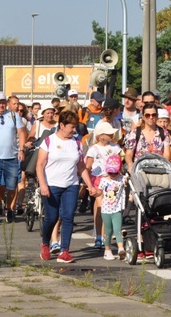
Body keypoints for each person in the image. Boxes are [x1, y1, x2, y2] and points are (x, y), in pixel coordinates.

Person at [37, 110, 97, 263]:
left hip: (71, 185)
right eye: (72, 127)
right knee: (51, 217)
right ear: (62, 125)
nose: (75, 130)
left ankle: (64, 251)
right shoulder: (49, 141)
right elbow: (40, 165)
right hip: (51, 185)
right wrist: (43, 184)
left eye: (76, 127)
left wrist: (89, 185)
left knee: (68, 217)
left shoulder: (76, 142)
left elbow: (81, 166)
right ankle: (45, 243)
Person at [0, 92, 27, 226]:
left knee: (12, 187)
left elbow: (21, 132)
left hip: (12, 157)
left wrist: (21, 150)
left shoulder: (13, 116)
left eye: (3, 102)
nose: (1, 105)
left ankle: (9, 209)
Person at [85, 121, 124, 251]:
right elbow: (88, 166)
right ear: (101, 135)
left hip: (113, 180)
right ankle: (99, 236)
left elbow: (120, 163)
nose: (112, 135)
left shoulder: (115, 147)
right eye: (108, 133)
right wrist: (87, 183)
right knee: (101, 207)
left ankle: (105, 235)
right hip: (99, 179)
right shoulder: (93, 149)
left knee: (111, 208)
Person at [124, 102, 171, 168]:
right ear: (143, 117)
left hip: (158, 170)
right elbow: (128, 154)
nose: (151, 117)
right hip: (139, 170)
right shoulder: (135, 132)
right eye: (147, 115)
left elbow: (167, 154)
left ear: (157, 116)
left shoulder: (164, 133)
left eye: (153, 115)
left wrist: (163, 165)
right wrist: (130, 164)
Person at [98, 155, 126, 261]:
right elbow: (99, 191)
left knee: (118, 230)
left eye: (115, 172)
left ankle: (121, 249)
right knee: (108, 231)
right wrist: (94, 192)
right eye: (110, 172)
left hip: (117, 209)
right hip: (105, 210)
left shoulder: (122, 179)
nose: (113, 174)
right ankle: (107, 250)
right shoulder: (104, 180)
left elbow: (128, 182)